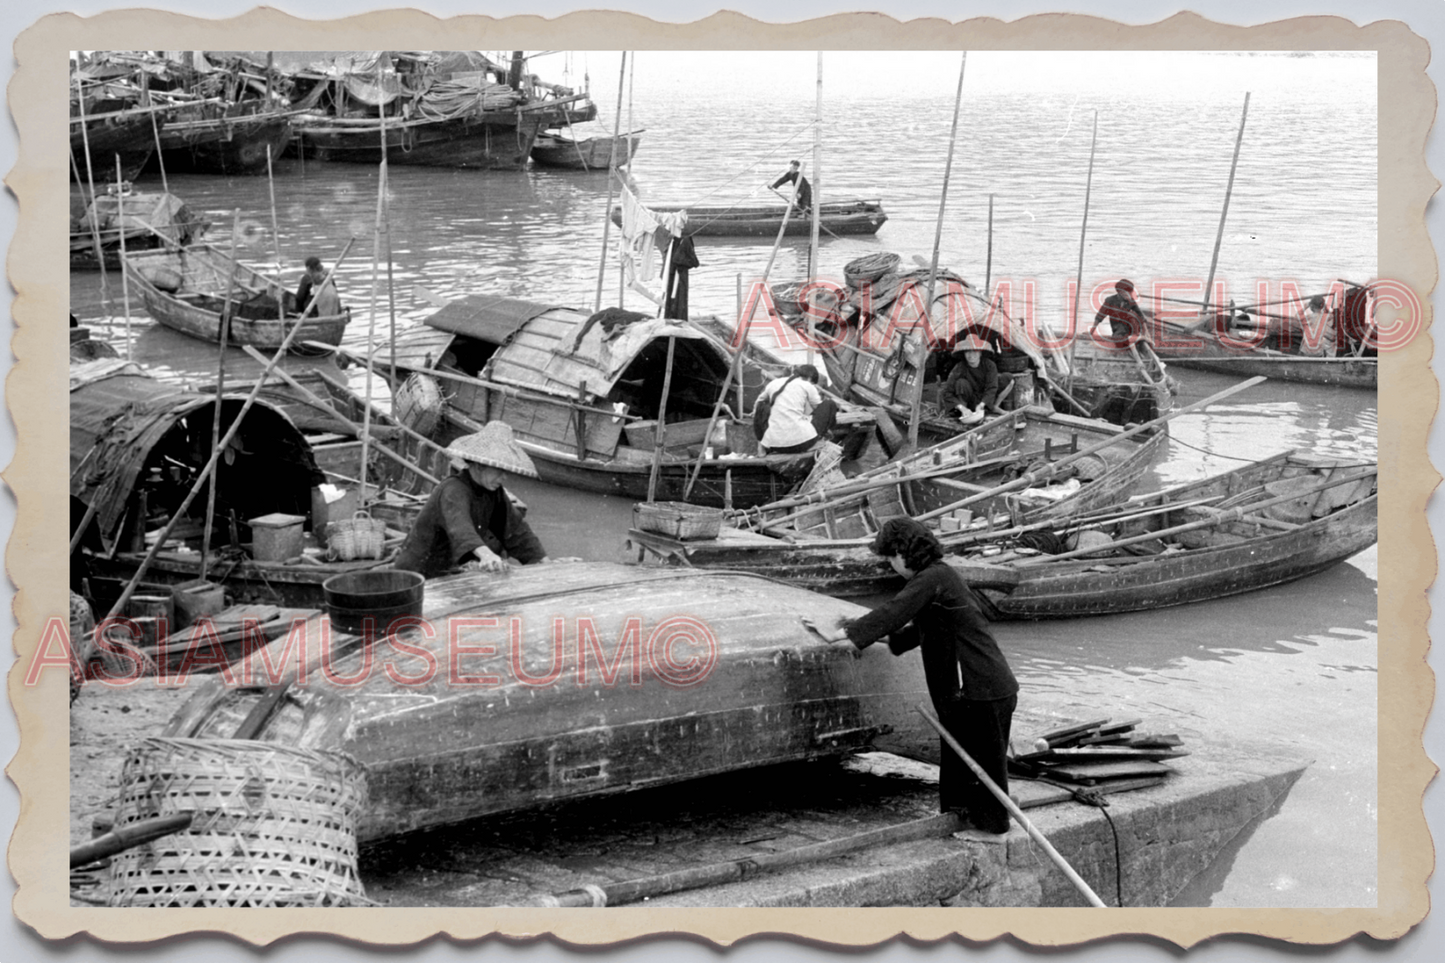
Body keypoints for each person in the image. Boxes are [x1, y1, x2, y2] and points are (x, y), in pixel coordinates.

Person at [823, 517, 1019, 835]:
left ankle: (991, 830)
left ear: (903, 551)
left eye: (890, 558)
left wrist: (843, 633)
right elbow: (918, 630)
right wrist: (882, 637)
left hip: (983, 688)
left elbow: (894, 611)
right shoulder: (941, 578)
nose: (891, 565)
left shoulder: (933, 578)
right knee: (958, 760)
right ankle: (959, 817)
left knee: (985, 771)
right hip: (971, 691)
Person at [393, 422, 549, 579]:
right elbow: (461, 530)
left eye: (505, 471)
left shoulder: (494, 492)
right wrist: (486, 555)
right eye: (499, 470)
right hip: (418, 574)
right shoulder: (453, 490)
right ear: (480, 466)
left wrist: (544, 562)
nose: (504, 477)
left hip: (448, 571)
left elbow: (516, 532)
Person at [754, 364, 835, 454]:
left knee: (761, 405)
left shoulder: (773, 383)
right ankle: (819, 439)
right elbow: (819, 409)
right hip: (802, 443)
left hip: (774, 445)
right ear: (810, 378)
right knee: (829, 404)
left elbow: (758, 403)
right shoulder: (807, 385)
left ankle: (760, 445)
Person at [941, 334, 1001, 421]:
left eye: (975, 351)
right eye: (967, 351)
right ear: (964, 354)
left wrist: (981, 405)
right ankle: (963, 414)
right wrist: (961, 407)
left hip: (984, 403)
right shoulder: (959, 367)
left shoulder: (990, 365)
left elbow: (991, 388)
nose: (971, 355)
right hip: (966, 403)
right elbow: (947, 391)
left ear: (980, 352)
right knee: (961, 383)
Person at [1092, 279, 1149, 345]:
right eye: (1128, 292)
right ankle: (1130, 340)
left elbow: (1140, 315)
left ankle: (1135, 336)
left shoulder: (1130, 301)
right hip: (1118, 329)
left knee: (1132, 315)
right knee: (1119, 341)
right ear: (1120, 292)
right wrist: (1092, 331)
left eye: (1131, 292)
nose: (1130, 294)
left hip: (1130, 328)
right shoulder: (1110, 301)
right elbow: (1100, 316)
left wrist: (1146, 333)